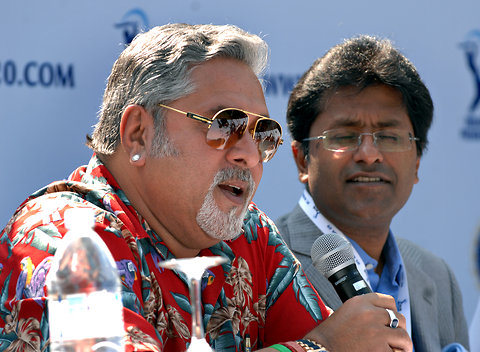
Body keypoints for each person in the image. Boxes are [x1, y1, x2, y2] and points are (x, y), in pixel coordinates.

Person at [0, 24, 412, 352]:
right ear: (139, 134)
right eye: (226, 125)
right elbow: (331, 343)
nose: (249, 154)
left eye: (262, 134)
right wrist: (319, 350)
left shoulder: (251, 236)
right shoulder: (62, 237)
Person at [275, 35, 469, 352]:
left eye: (389, 137)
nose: (369, 154)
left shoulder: (436, 276)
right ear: (302, 159)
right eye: (345, 135)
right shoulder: (262, 263)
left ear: (417, 162)